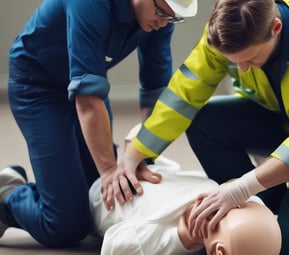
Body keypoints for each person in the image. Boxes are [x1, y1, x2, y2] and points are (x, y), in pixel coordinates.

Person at [104, 0, 289, 254]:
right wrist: (135, 154)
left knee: (285, 245)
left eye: (251, 59)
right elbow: (183, 94)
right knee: (205, 122)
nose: (242, 69)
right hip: (286, 126)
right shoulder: (227, 29)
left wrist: (243, 187)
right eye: (235, 62)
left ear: (276, 28)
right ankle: (264, 203)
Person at [0, 0, 198, 248]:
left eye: (172, 18)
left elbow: (154, 91)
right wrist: (109, 170)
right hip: (39, 85)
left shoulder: (161, 17)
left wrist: (140, 155)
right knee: (65, 225)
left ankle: (53, 191)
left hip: (86, 85)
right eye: (160, 12)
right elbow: (87, 98)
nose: (163, 22)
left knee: (98, 198)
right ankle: (7, 195)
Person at [89, 151, 281, 255]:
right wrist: (178, 239)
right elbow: (113, 247)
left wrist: (181, 238)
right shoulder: (155, 226)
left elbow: (113, 245)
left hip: (151, 182)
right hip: (103, 194)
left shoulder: (156, 226)